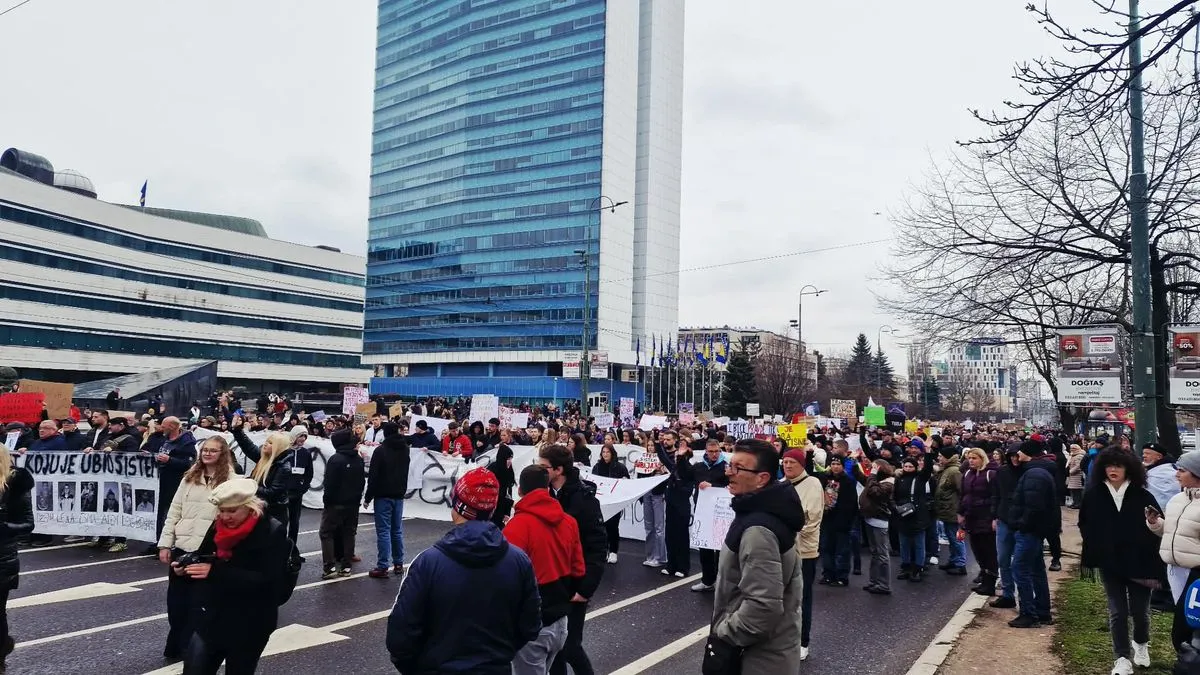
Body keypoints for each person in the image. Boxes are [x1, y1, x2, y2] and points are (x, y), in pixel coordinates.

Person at [386, 467, 540, 674]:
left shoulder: (427, 562)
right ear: (492, 510)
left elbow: (400, 633)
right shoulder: (519, 561)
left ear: (456, 505)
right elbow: (529, 625)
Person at [706, 439, 804, 673]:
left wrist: (724, 633)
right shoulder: (762, 511)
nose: (729, 472)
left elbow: (763, 607)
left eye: (738, 468)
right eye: (730, 465)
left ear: (762, 478)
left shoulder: (758, 530)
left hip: (758, 660)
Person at [179, 478, 293, 674]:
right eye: (221, 511)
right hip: (213, 616)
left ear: (250, 508)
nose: (225, 516)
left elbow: (268, 580)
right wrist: (185, 568)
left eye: (232, 511)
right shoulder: (219, 526)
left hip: (251, 620)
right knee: (194, 669)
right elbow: (204, 556)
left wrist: (215, 572)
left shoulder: (272, 530)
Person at [1079, 448, 1164, 675]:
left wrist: (1152, 522)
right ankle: (1122, 657)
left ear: (1129, 468)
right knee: (1117, 611)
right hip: (1111, 563)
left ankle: (1141, 643)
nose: (1113, 470)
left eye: (1118, 465)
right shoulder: (1094, 494)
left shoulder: (1142, 495)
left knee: (1140, 611)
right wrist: (1097, 546)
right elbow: (1085, 524)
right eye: (1109, 465)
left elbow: (1157, 525)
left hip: (1140, 562)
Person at [156, 435, 236, 662]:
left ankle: (189, 649)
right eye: (205, 449)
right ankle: (176, 644)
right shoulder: (190, 476)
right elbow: (174, 510)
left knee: (198, 605)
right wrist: (165, 543)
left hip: (208, 551)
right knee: (176, 603)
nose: (208, 453)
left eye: (213, 450)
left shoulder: (231, 480)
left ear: (223, 454)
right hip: (183, 547)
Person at [505, 465, 586, 675]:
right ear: (548, 488)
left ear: (520, 490)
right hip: (560, 621)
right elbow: (578, 570)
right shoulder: (568, 522)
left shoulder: (517, 526)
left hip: (532, 625)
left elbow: (506, 580)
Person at [539, 444, 606, 675]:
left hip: (575, 585)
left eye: (543, 467)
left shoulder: (584, 500)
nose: (540, 471)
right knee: (554, 648)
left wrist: (586, 588)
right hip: (551, 584)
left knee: (570, 647)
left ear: (558, 470)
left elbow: (597, 547)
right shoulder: (543, 493)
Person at [1146, 450, 1200, 660]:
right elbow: (1168, 530)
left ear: (1196, 474)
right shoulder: (1177, 499)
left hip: (1194, 572)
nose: (1176, 474)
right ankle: (1187, 657)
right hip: (1173, 568)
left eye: (1182, 470)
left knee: (1187, 621)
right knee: (1182, 616)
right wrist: (1154, 522)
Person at [1007, 439, 1061, 628]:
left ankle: (1028, 613)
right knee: (1037, 571)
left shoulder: (1034, 474)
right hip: (1036, 530)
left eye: (1020, 451)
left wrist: (1021, 524)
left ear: (1026, 453)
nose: (1017, 455)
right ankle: (1042, 611)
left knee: (1020, 570)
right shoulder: (1039, 471)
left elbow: (1033, 506)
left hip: (1029, 531)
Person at [781, 448, 822, 662]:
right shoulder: (780, 485)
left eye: (792, 462)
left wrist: (789, 532)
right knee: (782, 597)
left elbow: (812, 519)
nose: (787, 466)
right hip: (783, 550)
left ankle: (802, 641)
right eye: (785, 462)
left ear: (801, 464)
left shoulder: (813, 484)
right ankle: (783, 639)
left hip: (804, 551)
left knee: (802, 598)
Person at [0, 442, 33, 671]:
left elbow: (28, 523)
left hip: (2, 560)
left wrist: (4, 527)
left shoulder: (15, 484)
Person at [365, 422, 410, 579]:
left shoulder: (381, 450)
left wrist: (368, 497)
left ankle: (383, 565)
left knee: (383, 531)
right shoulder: (405, 449)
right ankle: (398, 563)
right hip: (398, 494)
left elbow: (374, 476)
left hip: (383, 495)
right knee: (396, 530)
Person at [321, 428, 365, 579]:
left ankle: (329, 566)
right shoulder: (358, 458)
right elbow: (361, 482)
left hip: (335, 503)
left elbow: (329, 484)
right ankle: (346, 566)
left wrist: (327, 501)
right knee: (349, 533)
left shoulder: (336, 459)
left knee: (327, 533)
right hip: (353, 503)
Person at [957, 447, 999, 596]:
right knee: (977, 550)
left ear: (982, 459)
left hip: (986, 517)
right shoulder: (967, 474)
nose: (971, 461)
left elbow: (995, 497)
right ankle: (984, 579)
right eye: (969, 458)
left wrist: (995, 517)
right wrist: (960, 512)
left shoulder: (991, 474)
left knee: (989, 551)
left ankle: (990, 583)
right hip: (971, 517)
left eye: (974, 458)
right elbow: (963, 495)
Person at [153, 417, 197, 554]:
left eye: (164, 425)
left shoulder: (187, 443)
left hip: (176, 482)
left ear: (172, 426)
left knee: (171, 513)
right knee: (160, 513)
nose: (162, 427)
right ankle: (159, 541)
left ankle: (171, 543)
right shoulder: (165, 440)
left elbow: (188, 464)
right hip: (162, 481)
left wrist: (170, 460)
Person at [690, 438, 729, 590]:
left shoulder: (726, 467)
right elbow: (685, 475)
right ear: (706, 451)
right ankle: (707, 580)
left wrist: (713, 486)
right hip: (703, 512)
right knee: (705, 546)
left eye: (716, 451)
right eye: (711, 451)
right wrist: (681, 458)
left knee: (720, 548)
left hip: (721, 513)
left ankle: (721, 581)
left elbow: (731, 486)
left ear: (720, 451)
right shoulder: (699, 467)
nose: (714, 454)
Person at [855, 458, 896, 594]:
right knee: (874, 553)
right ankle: (874, 581)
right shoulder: (875, 481)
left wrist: (872, 474)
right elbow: (865, 481)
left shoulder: (889, 483)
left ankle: (884, 584)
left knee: (882, 553)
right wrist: (854, 463)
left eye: (874, 467)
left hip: (879, 521)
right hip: (870, 519)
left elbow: (874, 492)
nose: (872, 469)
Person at [894, 452, 935, 582]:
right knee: (904, 543)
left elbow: (928, 469)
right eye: (905, 466)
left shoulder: (920, 478)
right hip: (903, 514)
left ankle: (918, 568)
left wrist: (928, 453)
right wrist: (895, 507)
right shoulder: (899, 479)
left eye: (910, 466)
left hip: (918, 515)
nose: (907, 469)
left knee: (919, 544)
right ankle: (905, 566)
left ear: (916, 467)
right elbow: (895, 496)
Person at [990, 446, 1023, 609]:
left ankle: (1023, 596)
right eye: (1011, 456)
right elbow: (995, 494)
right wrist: (994, 516)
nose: (1014, 459)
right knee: (1003, 558)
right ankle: (1007, 593)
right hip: (1003, 517)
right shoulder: (1002, 472)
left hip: (1021, 521)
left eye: (1017, 456)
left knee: (1020, 561)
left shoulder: (1028, 471)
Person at [658, 433, 694, 578]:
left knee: (681, 536)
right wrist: (657, 442)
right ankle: (671, 564)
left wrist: (678, 483)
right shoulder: (674, 469)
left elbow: (688, 491)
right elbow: (664, 459)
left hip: (682, 506)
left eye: (679, 457)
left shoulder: (689, 470)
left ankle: (683, 567)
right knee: (670, 535)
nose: (676, 458)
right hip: (671, 504)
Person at [591, 442, 630, 564]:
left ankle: (613, 551)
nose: (605, 454)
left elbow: (627, 482)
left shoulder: (620, 467)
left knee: (613, 527)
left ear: (612, 453)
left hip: (614, 502)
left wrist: (624, 481)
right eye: (603, 452)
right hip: (601, 502)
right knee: (601, 528)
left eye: (608, 452)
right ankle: (604, 550)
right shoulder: (597, 467)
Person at [634, 436, 668, 568]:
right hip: (647, 494)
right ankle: (650, 555)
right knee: (649, 527)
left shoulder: (662, 461)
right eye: (649, 446)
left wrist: (661, 471)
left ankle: (660, 557)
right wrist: (638, 467)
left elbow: (668, 477)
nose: (650, 448)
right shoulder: (643, 458)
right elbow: (640, 478)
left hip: (658, 494)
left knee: (659, 527)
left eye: (653, 446)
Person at [934, 446, 967, 576]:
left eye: (941, 456)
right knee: (952, 537)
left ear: (947, 457)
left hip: (954, 511)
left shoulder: (954, 471)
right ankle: (954, 560)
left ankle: (961, 564)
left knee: (958, 538)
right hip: (948, 510)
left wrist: (961, 511)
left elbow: (962, 491)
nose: (938, 458)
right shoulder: (947, 469)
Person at [486, 429, 517, 529]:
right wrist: (510, 504)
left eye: (510, 459)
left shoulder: (508, 470)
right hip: (490, 509)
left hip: (500, 510)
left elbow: (507, 493)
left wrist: (507, 512)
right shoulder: (492, 469)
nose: (509, 462)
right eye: (508, 459)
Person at [1142, 443, 1181, 512]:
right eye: (1144, 453)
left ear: (1159, 457)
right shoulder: (1148, 469)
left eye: (1148, 453)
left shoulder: (1168, 471)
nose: (1144, 456)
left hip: (1163, 511)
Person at [1066, 443, 1086, 508]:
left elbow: (1078, 466)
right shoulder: (1073, 455)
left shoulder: (1079, 456)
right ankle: (1075, 502)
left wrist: (1071, 471)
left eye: (1073, 448)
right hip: (1073, 476)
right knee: (1073, 490)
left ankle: (1078, 503)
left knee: (1077, 491)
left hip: (1077, 476)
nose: (1071, 450)